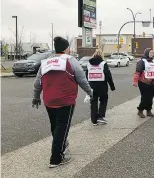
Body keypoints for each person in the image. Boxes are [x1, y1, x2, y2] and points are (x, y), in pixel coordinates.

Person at [32, 36, 93, 168]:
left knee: (55, 126)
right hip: (65, 100)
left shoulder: (47, 62)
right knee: (62, 127)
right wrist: (90, 92)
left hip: (49, 100)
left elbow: (38, 82)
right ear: (66, 48)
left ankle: (62, 144)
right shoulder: (71, 61)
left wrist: (36, 96)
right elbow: (81, 79)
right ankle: (57, 158)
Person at [86, 51, 115, 126]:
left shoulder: (89, 64)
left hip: (92, 85)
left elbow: (86, 75)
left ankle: (94, 120)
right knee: (103, 100)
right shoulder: (103, 63)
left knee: (93, 102)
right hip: (102, 85)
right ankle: (100, 116)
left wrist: (87, 86)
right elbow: (108, 75)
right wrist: (112, 86)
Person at [132, 48, 154, 118]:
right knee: (145, 97)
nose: (152, 54)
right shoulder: (142, 61)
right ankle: (140, 111)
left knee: (151, 97)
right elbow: (137, 72)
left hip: (152, 82)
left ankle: (149, 111)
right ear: (146, 53)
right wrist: (135, 81)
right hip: (143, 82)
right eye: (150, 52)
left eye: (153, 52)